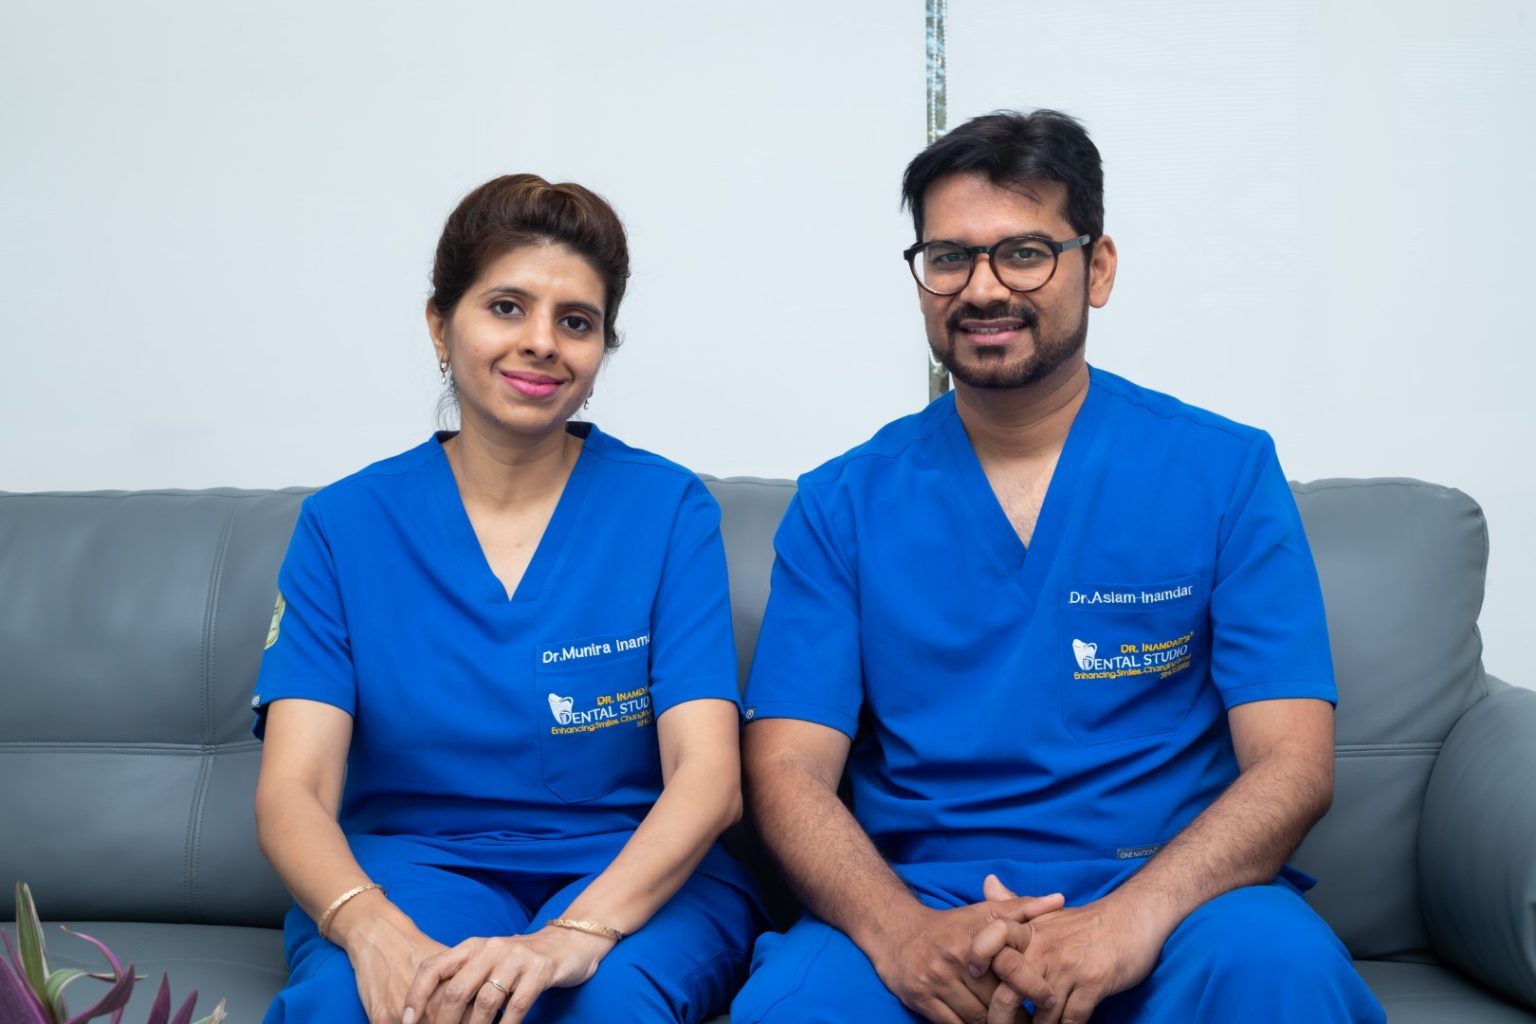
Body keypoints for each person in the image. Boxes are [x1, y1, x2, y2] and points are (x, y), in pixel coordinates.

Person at [730, 111, 1386, 1024]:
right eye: (949, 257)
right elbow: (786, 768)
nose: (982, 288)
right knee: (794, 1010)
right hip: (924, 901)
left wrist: (1132, 919)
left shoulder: (1223, 472)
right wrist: (900, 932)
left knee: (1281, 971)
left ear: (1098, 268)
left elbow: (1293, 763)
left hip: (1174, 903)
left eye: (1025, 253)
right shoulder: (842, 502)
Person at [252, 173, 763, 1024]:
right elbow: (292, 790)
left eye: (577, 322)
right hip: (413, 869)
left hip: (632, 870)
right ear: (439, 325)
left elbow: (709, 779)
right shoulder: (344, 525)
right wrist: (371, 927)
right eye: (506, 307)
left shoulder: (668, 509)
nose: (542, 343)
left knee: (603, 1005)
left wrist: (575, 933)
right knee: (366, 1005)